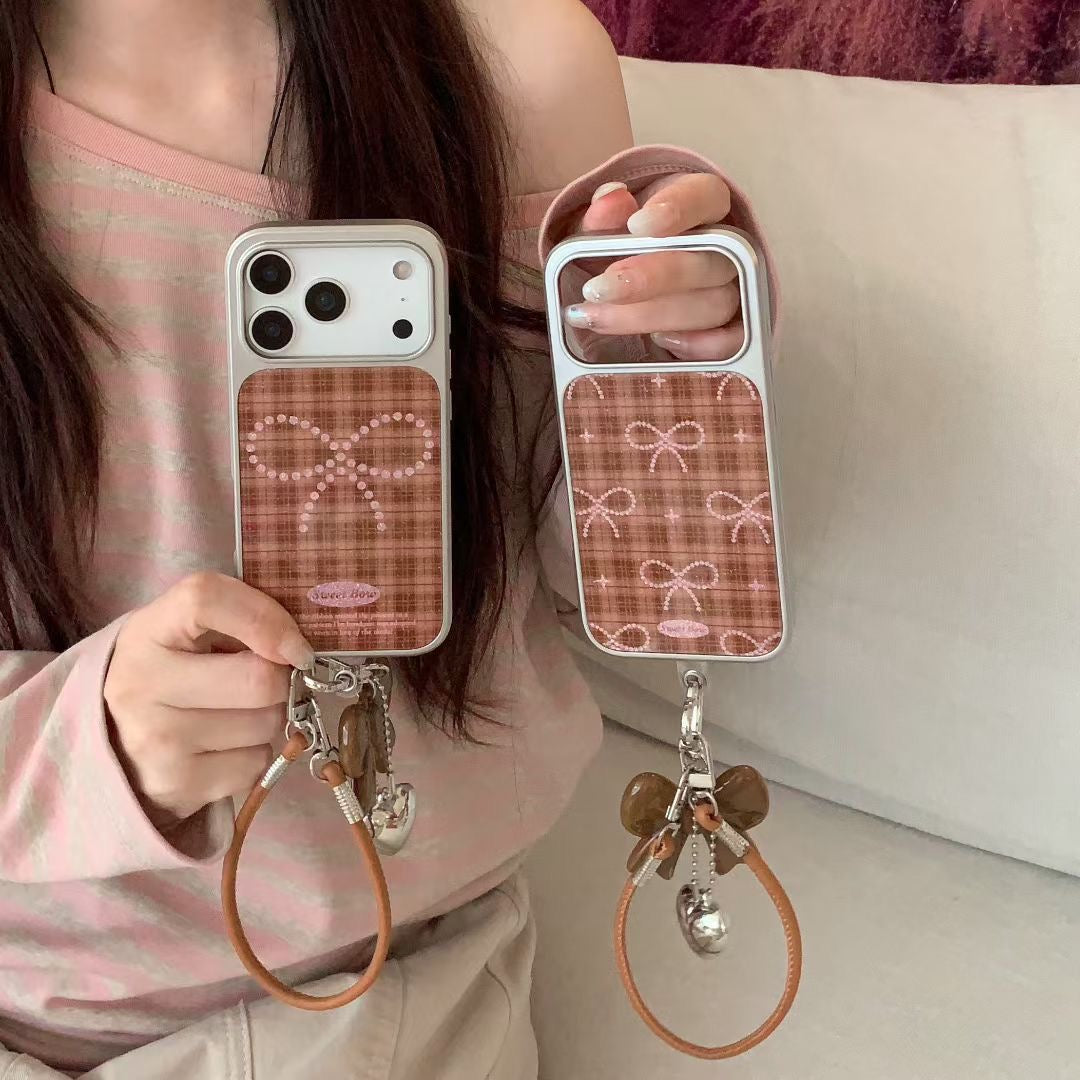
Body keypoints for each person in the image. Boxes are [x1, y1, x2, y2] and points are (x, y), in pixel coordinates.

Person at [0, 1, 768, 1075]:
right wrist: (91, 743)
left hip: (396, 988)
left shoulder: (522, 71)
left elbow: (597, 575)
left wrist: (673, 379)